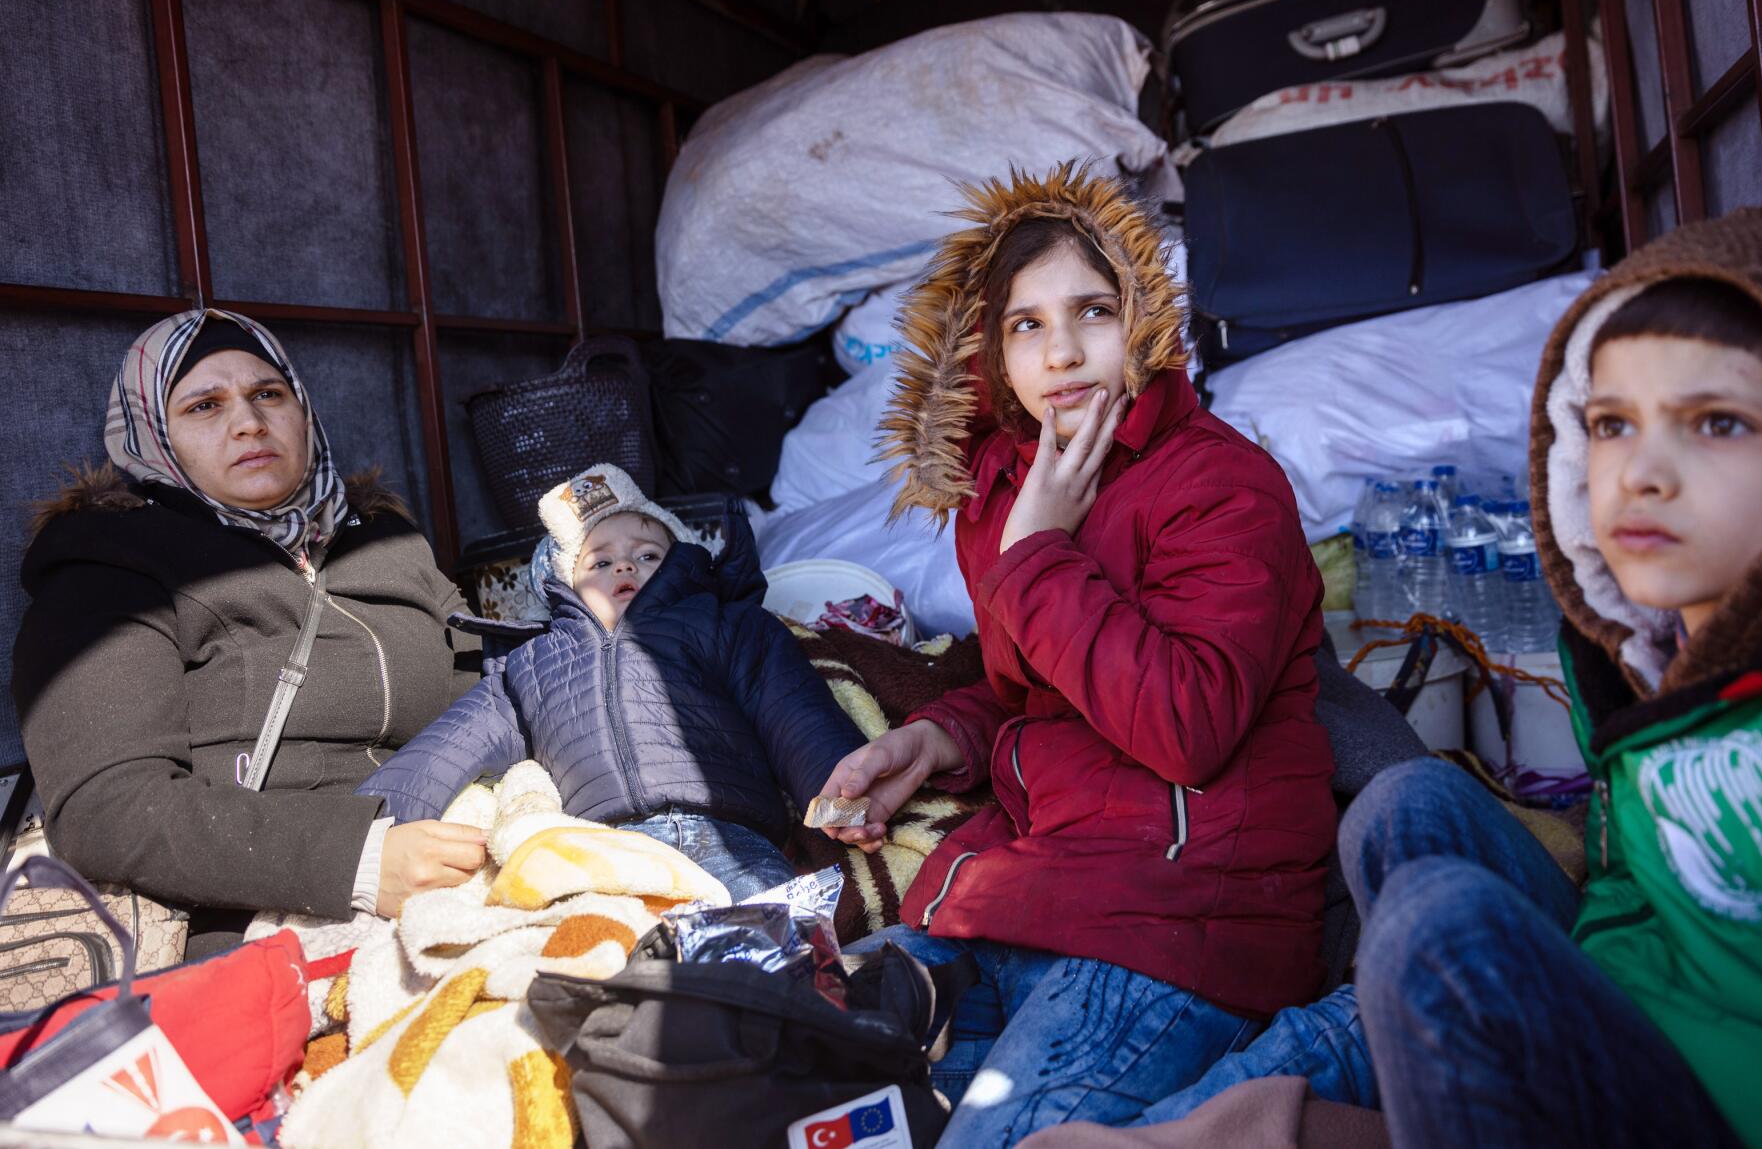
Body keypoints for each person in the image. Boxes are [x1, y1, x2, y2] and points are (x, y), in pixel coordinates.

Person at [1117, 209, 1762, 1147]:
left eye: (1720, 423)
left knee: (1434, 929)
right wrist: (1553, 1013)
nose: (1642, 475)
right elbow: (1630, 883)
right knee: (1405, 802)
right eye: (1613, 424)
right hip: (1648, 1010)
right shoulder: (1646, 648)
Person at [818, 164, 1336, 1146]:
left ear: (1138, 321)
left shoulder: (1223, 484)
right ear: (987, 354)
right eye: (1025, 324)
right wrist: (933, 740)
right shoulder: (1006, 491)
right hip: (1024, 892)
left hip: (1176, 921)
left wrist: (1038, 551)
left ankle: (1327, 1045)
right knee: (811, 1078)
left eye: (1090, 311)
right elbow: (1038, 693)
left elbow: (1186, 723)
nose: (1061, 352)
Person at [12, 309, 489, 951]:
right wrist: (362, 861)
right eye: (205, 406)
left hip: (460, 863)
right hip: (268, 919)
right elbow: (109, 808)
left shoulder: (381, 539)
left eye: (268, 393)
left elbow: (482, 690)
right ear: (155, 436)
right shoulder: (109, 566)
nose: (248, 422)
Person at [358, 463, 866, 902]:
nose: (625, 564)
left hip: (729, 838)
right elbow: (446, 750)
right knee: (605, 958)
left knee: (777, 932)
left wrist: (850, 807)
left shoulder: (724, 624)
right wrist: (360, 834)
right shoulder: (531, 663)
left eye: (648, 554)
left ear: (683, 566)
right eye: (600, 561)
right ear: (564, 584)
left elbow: (798, 722)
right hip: (604, 851)